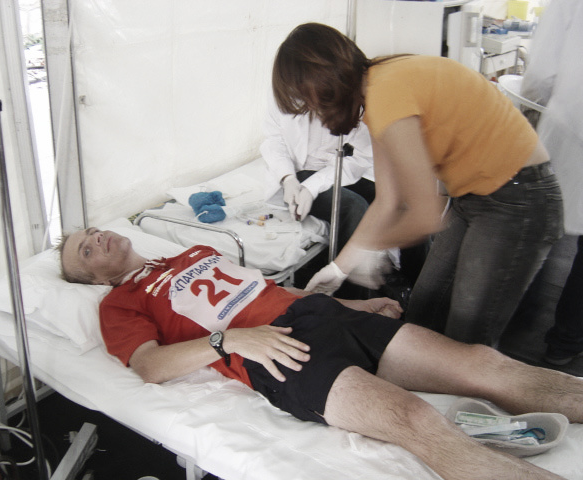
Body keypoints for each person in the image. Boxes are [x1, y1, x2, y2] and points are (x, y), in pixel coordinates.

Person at [58, 226, 583, 480]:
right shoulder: (118, 302)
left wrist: (356, 302)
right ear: (95, 277)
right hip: (277, 352)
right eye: (86, 249)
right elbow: (149, 366)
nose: (98, 239)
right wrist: (229, 341)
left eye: (94, 232)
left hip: (323, 315)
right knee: (415, 420)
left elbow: (274, 291)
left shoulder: (196, 252)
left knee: (484, 365)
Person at [272, 22, 563, 348]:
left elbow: (425, 216)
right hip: (473, 197)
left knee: (465, 339)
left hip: (518, 196)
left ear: (325, 83)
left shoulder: (387, 92)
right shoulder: (377, 91)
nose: (314, 113)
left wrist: (369, 251)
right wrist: (338, 269)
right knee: (424, 313)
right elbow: (388, 201)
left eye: (311, 102)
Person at [261, 91, 428, 299]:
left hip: (338, 169)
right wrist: (288, 179)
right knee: (354, 207)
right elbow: (274, 141)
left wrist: (314, 186)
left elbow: (360, 158)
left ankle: (416, 292)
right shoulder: (284, 92)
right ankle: (352, 300)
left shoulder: (354, 98)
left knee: (406, 206)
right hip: (297, 172)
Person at [521, 0, 583, 365]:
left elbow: (541, 74)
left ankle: (516, 319)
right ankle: (566, 342)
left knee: (539, 226)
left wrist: (532, 108)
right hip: (569, 127)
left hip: (568, 126)